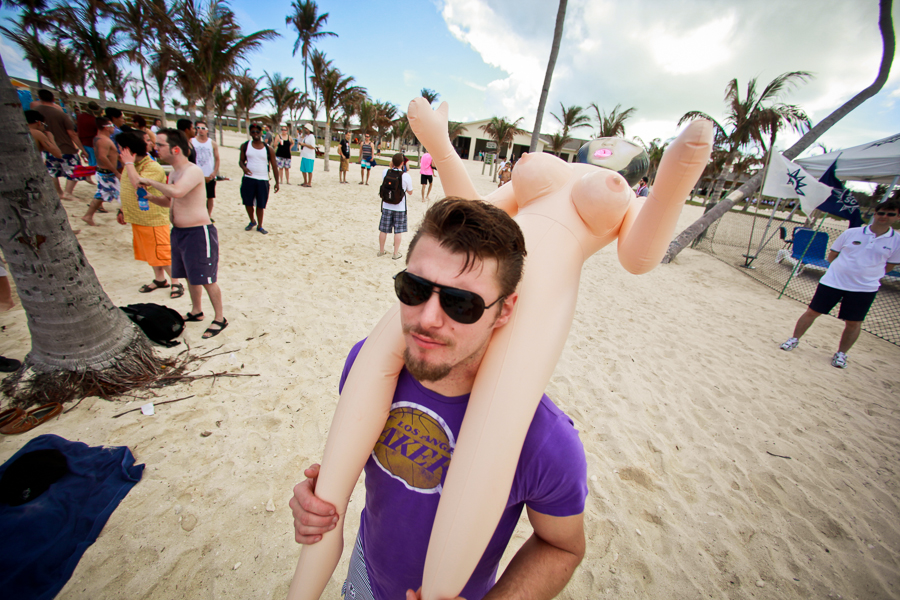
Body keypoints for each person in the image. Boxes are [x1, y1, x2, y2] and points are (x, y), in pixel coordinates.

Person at [290, 198, 587, 600]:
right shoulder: (367, 367)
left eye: (460, 303)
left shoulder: (545, 441)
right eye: (413, 288)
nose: (427, 318)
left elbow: (562, 546)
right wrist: (316, 500)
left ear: (504, 311)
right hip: (364, 570)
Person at [780, 200, 900, 368]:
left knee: (853, 322)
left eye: (890, 214)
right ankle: (794, 339)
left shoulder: (897, 240)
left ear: (897, 217)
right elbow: (832, 256)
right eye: (881, 213)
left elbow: (890, 266)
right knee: (812, 312)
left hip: (865, 287)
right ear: (875, 214)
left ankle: (841, 354)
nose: (884, 217)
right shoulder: (852, 233)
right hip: (833, 282)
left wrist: (867, 274)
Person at [137, 128, 228, 339]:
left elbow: (178, 191)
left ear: (175, 149)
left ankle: (220, 318)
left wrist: (151, 181)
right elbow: (170, 200)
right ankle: (197, 311)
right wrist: (150, 196)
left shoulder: (192, 171)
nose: (155, 148)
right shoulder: (174, 173)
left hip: (198, 232)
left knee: (206, 278)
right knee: (189, 274)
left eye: (160, 145)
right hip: (180, 233)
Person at [115, 130, 183, 298]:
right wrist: (123, 209)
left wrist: (129, 164)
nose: (118, 151)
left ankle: (176, 282)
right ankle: (160, 279)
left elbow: (138, 185)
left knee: (162, 253)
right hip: (138, 217)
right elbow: (126, 189)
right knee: (149, 252)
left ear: (128, 149)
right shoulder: (130, 165)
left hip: (153, 218)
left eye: (120, 148)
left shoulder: (151, 166)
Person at [34, 89, 89, 201]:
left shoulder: (35, 112)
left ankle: (58, 192)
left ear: (39, 98)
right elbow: (72, 134)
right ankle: (68, 192)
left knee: (52, 171)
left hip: (46, 147)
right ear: (53, 99)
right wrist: (82, 149)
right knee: (76, 170)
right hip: (65, 146)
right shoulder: (60, 113)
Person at [238, 123, 280, 234]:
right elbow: (241, 161)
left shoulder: (268, 149)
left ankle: (260, 226)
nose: (255, 134)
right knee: (248, 202)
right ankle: (252, 221)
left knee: (261, 204)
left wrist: (277, 182)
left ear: (261, 133)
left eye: (257, 131)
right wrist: (244, 168)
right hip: (249, 178)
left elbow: (274, 166)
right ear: (250, 133)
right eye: (253, 132)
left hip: (263, 179)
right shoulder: (245, 146)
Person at [81, 117, 120, 226]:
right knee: (123, 194)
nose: (113, 127)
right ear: (106, 128)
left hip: (104, 172)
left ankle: (88, 216)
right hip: (108, 173)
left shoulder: (98, 138)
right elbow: (103, 157)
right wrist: (116, 172)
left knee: (101, 194)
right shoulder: (104, 140)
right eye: (111, 125)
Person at [377, 153, 413, 260]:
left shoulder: (385, 172)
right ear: (403, 163)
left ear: (392, 162)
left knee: (383, 230)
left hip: (387, 205)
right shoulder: (405, 176)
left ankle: (381, 250)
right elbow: (410, 192)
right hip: (399, 207)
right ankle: (395, 253)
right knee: (398, 231)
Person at [191, 120, 220, 220]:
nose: (200, 130)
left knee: (210, 196)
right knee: (196, 196)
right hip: (195, 174)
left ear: (207, 130)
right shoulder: (192, 141)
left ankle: (208, 215)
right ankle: (197, 215)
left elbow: (217, 159)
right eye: (198, 128)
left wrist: (214, 171)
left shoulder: (212, 143)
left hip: (209, 174)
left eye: (203, 128)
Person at [77, 101, 100, 167]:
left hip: (83, 142)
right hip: (92, 143)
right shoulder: (94, 120)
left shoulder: (80, 117)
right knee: (94, 163)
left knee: (91, 162)